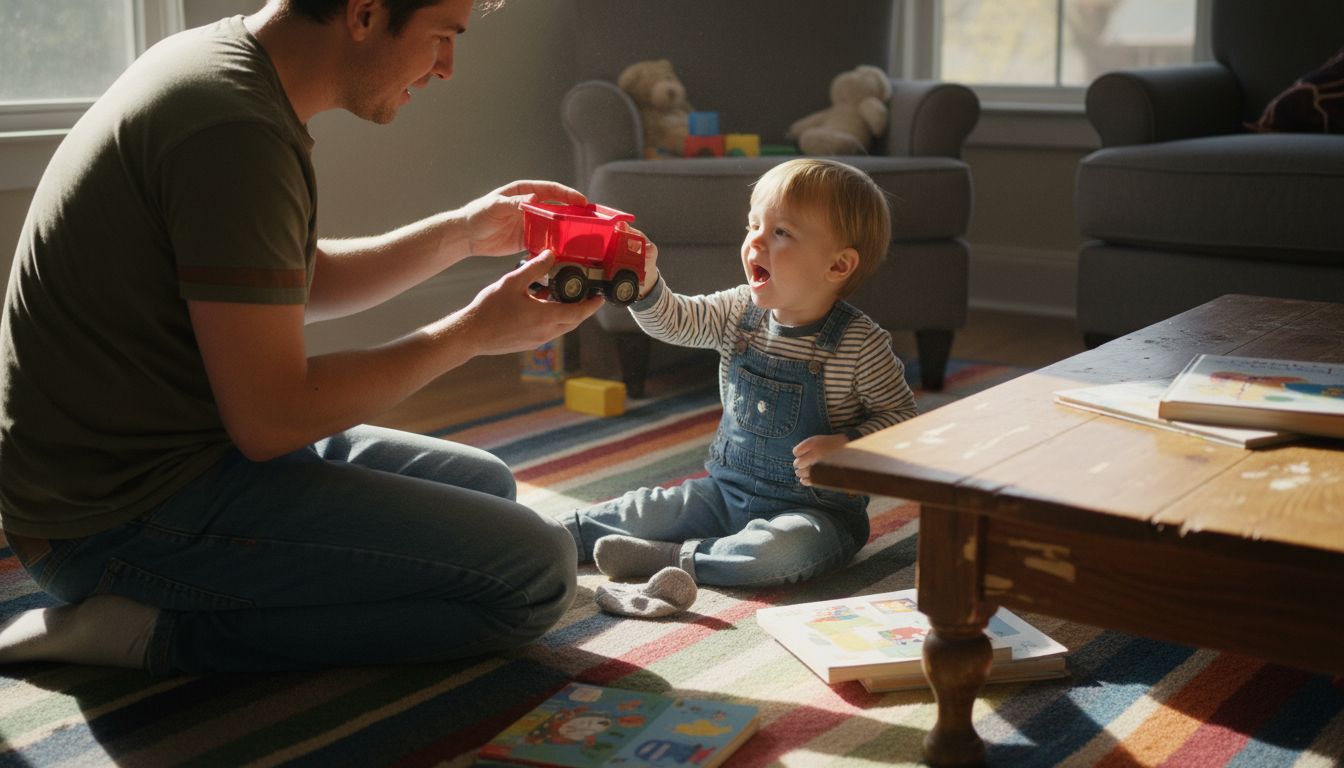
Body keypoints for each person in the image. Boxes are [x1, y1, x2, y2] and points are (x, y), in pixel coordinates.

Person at [0, 0, 603, 675]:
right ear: (366, 13)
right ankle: (152, 630)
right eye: (441, 37)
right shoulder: (235, 129)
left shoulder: (227, 71)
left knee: (487, 486)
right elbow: (271, 418)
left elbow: (290, 280)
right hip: (109, 518)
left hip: (173, 454)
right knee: (536, 577)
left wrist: (464, 232)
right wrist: (470, 333)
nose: (447, 68)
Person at [567, 158, 919, 617]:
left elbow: (903, 422)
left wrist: (849, 447)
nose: (755, 240)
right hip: (724, 493)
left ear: (837, 265)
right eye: (753, 225)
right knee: (648, 508)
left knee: (782, 554)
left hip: (815, 513)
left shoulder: (858, 344)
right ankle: (560, 532)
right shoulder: (738, 311)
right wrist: (648, 285)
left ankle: (671, 558)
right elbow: (677, 320)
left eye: (781, 233)